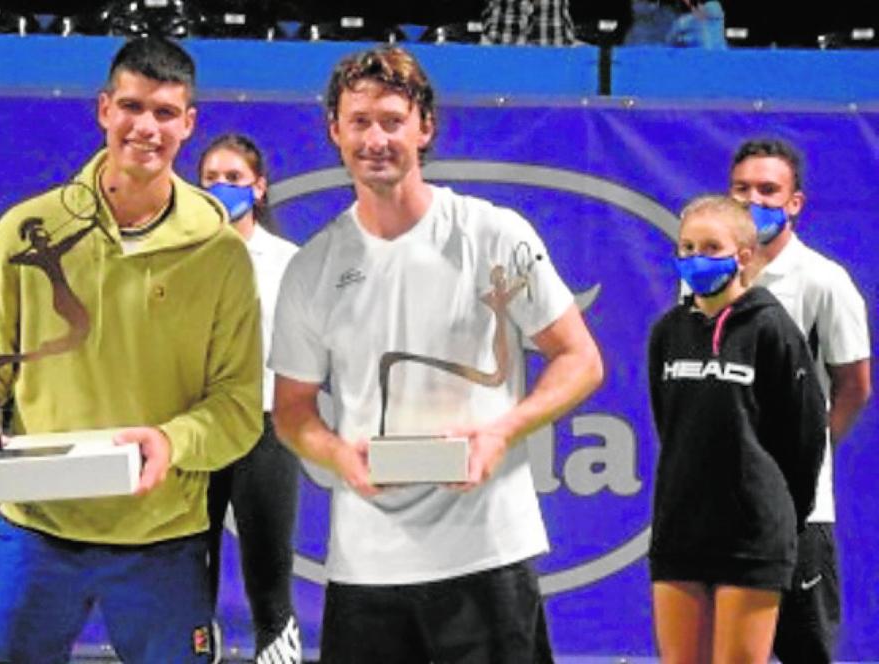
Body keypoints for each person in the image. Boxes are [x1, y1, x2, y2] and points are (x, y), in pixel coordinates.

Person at [269, 45, 603, 663]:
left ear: (424, 127)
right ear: (334, 131)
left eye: (393, 121)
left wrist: (503, 431)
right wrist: (339, 453)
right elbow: (291, 410)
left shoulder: (493, 233)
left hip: (488, 554)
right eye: (360, 121)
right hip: (366, 569)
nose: (376, 138)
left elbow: (580, 358)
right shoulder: (311, 268)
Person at [0, 36, 263, 664]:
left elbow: (238, 405)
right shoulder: (27, 229)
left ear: (189, 124)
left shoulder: (221, 255)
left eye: (165, 113)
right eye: (132, 107)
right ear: (104, 110)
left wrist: (173, 443)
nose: (147, 127)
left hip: (163, 537)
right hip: (37, 528)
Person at [647, 194, 827, 663]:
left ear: (743, 256)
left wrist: (780, 514)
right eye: (686, 248)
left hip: (752, 533)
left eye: (710, 247)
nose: (695, 259)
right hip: (680, 528)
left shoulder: (773, 330)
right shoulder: (668, 332)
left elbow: (804, 438)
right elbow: (671, 422)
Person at [728, 138, 872, 663]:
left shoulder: (825, 282)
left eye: (768, 190)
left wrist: (808, 451)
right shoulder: (709, 280)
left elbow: (854, 385)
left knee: (804, 649)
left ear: (795, 203)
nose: (752, 201)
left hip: (801, 511)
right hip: (722, 505)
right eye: (741, 189)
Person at [198, 134, 301, 664]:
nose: (221, 188)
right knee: (192, 572)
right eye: (210, 178)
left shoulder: (290, 263)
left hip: (266, 428)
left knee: (268, 573)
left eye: (234, 178)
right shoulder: (179, 257)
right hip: (196, 431)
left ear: (259, 188)